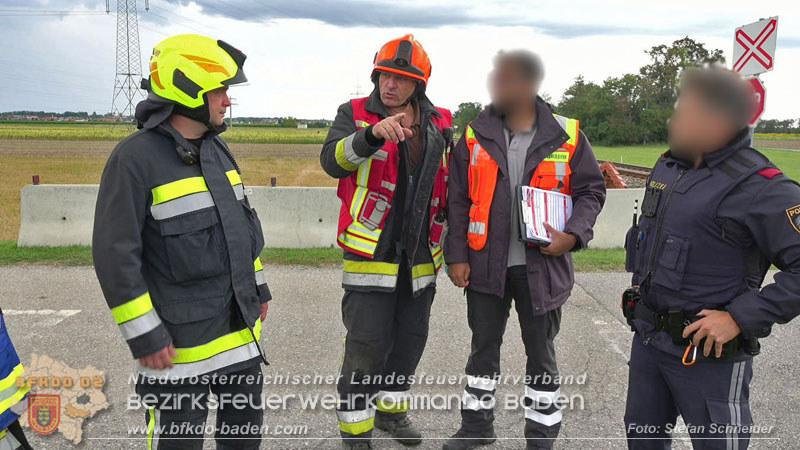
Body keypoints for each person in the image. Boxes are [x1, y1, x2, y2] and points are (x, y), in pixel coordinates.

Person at [92, 34, 272, 450]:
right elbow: (116, 257)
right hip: (176, 354)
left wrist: (257, 288)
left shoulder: (218, 151)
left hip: (239, 340)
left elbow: (241, 232)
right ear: (188, 88)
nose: (228, 101)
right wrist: (145, 335)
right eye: (221, 90)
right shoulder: (134, 160)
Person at [622, 66, 800, 449]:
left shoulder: (761, 186)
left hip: (708, 356)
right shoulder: (669, 167)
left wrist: (740, 316)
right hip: (650, 342)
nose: (674, 120)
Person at [443, 50, 606, 450]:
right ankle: (477, 427)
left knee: (541, 354)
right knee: (482, 350)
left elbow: (591, 190)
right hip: (484, 265)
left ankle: (541, 436)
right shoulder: (473, 134)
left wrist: (573, 234)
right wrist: (457, 255)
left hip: (543, 266)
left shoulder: (567, 133)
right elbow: (458, 200)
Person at [320, 34, 453, 449]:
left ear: (419, 84)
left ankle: (392, 413)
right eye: (383, 76)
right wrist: (371, 136)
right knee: (365, 346)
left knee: (410, 340)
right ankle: (355, 432)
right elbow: (331, 162)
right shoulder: (355, 113)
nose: (388, 85)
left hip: (420, 258)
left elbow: (453, 185)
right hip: (370, 255)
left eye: (399, 78)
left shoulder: (440, 122)